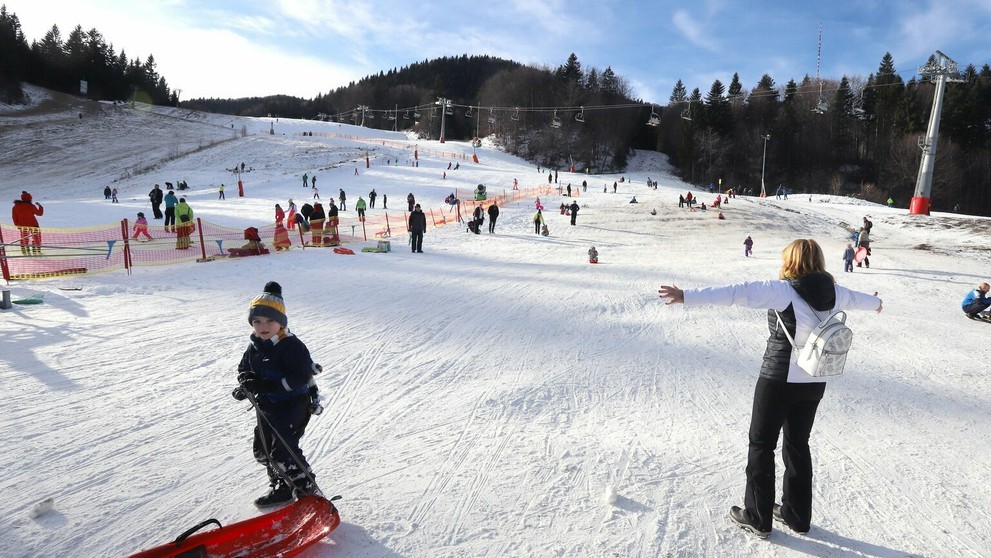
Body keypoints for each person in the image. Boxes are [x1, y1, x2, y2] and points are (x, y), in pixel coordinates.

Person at [658, 239, 882, 538]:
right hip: (814, 382)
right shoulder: (835, 292)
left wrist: (686, 295)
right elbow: (861, 300)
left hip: (778, 380)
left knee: (762, 444)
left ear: (790, 260)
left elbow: (736, 293)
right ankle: (796, 515)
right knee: (798, 445)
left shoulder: (782, 290)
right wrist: (877, 302)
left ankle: (758, 516)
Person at [233, 282, 322, 507]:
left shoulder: (291, 346)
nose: (263, 326)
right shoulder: (255, 347)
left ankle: (307, 490)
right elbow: (244, 368)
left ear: (281, 322)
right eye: (257, 321)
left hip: (294, 405)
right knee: (262, 451)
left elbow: (300, 377)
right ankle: (283, 486)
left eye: (270, 320)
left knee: (283, 450)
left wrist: (267, 386)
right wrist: (246, 383)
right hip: (268, 407)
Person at [11, 191, 44, 255]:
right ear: (29, 199)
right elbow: (39, 213)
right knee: (36, 237)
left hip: (22, 225)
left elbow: (14, 217)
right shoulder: (31, 206)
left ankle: (24, 250)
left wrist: (17, 225)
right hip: (33, 225)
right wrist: (40, 206)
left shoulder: (15, 207)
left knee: (24, 237)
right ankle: (36, 250)